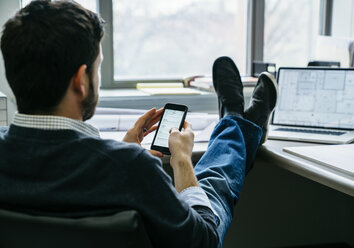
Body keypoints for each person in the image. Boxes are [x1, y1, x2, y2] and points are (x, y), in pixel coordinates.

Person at [0, 1, 277, 247]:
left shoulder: (122, 163)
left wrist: (120, 151)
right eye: (98, 67)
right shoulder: (130, 167)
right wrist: (181, 160)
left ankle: (239, 122)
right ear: (80, 81)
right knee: (209, 183)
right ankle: (235, 123)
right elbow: (204, 241)